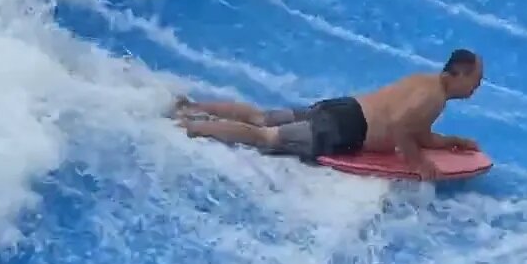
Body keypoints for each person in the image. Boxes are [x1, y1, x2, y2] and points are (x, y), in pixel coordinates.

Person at [171, 49, 484, 180]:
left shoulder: (423, 81)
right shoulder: (434, 99)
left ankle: (192, 107)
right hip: (346, 129)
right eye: (476, 80)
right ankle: (194, 127)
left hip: (342, 108)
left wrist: (450, 142)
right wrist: (420, 164)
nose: (477, 87)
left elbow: (415, 129)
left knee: (261, 118)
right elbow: (403, 129)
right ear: (459, 74)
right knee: (266, 137)